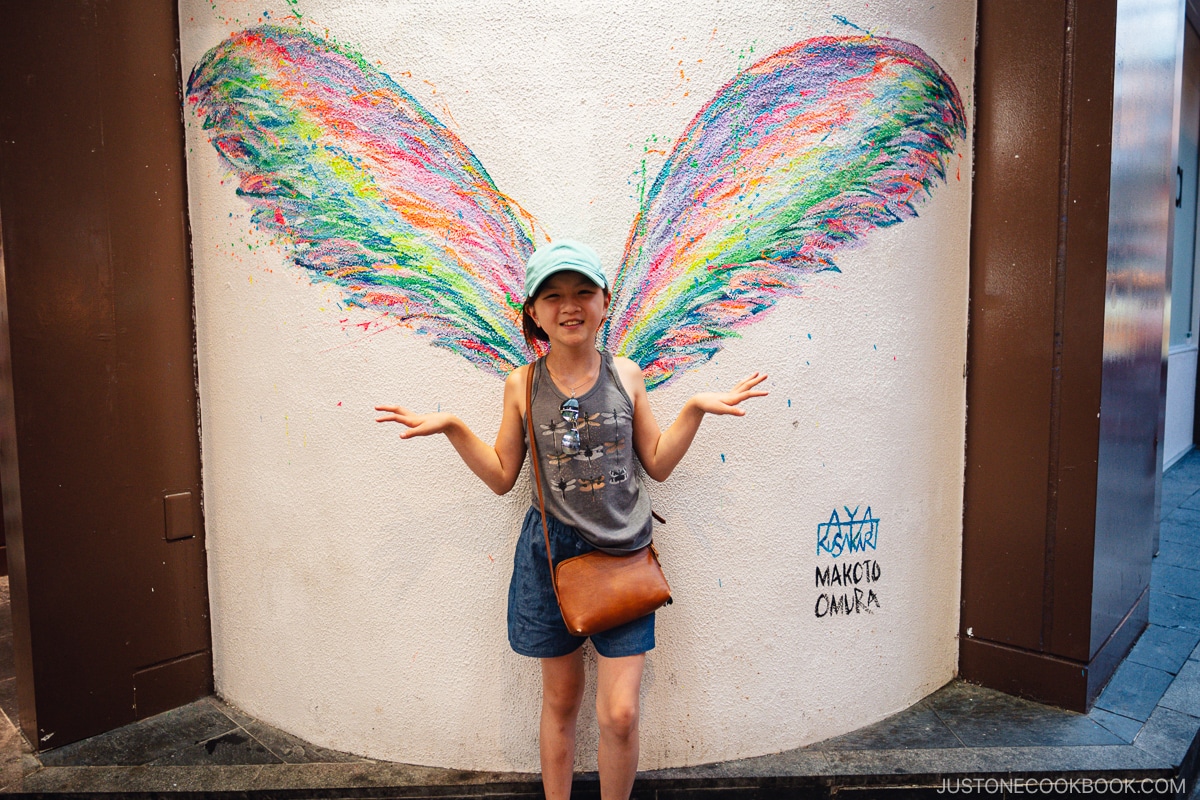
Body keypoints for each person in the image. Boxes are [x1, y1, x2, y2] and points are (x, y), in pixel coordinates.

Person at [375, 239, 767, 800]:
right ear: (534, 312)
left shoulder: (627, 375)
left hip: (624, 557)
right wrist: (454, 427)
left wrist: (696, 408)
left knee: (620, 714)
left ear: (605, 301)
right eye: (553, 295)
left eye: (583, 291)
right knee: (560, 703)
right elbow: (503, 475)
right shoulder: (521, 384)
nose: (570, 305)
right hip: (550, 557)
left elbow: (655, 462)